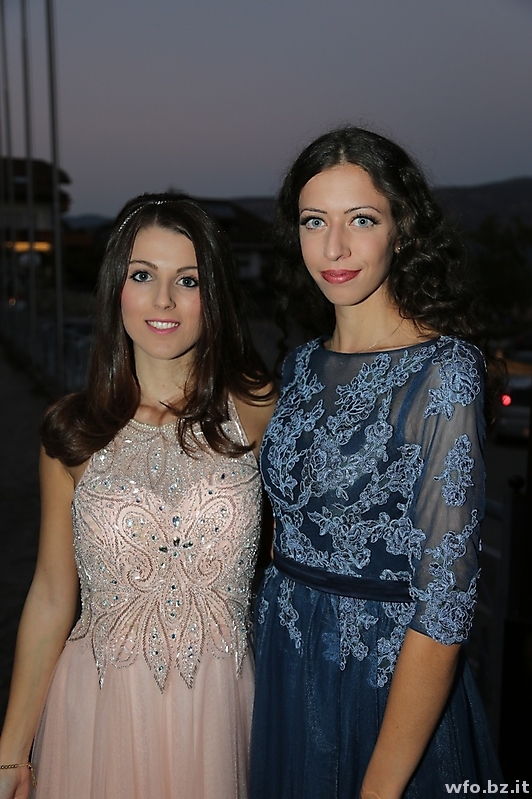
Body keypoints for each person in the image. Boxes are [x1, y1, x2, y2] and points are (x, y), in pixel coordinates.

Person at [249, 126, 503, 799]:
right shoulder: (300, 364)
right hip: (285, 666)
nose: (333, 248)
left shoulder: (444, 373)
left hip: (382, 687)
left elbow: (445, 604)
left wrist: (380, 786)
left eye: (361, 219)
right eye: (314, 221)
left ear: (402, 229)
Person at [0, 193, 276, 799]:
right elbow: (51, 595)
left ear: (214, 296)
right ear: (116, 289)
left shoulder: (260, 412)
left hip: (224, 712)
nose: (164, 300)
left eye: (188, 280)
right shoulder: (72, 432)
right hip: (99, 714)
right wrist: (11, 753)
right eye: (143, 275)